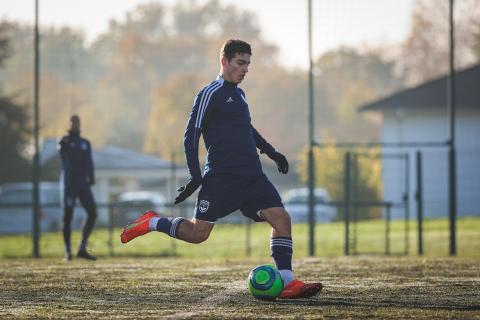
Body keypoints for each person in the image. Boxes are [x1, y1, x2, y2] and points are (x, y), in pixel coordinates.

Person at [121, 39, 322, 298]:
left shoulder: (239, 94)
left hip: (252, 177)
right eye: (240, 63)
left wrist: (272, 152)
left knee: (281, 219)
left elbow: (246, 129)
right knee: (197, 234)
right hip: (222, 178)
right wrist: (196, 176)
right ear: (224, 61)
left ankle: (287, 282)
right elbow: (190, 135)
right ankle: (152, 222)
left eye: (248, 64)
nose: (245, 69)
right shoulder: (209, 93)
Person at [58, 115, 97, 260]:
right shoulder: (64, 141)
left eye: (77, 122)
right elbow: (64, 156)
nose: (75, 124)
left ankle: (82, 248)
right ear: (69, 124)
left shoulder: (85, 143)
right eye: (72, 122)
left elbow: (89, 162)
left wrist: (91, 176)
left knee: (92, 213)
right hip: (69, 185)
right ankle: (67, 251)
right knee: (67, 217)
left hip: (82, 185)